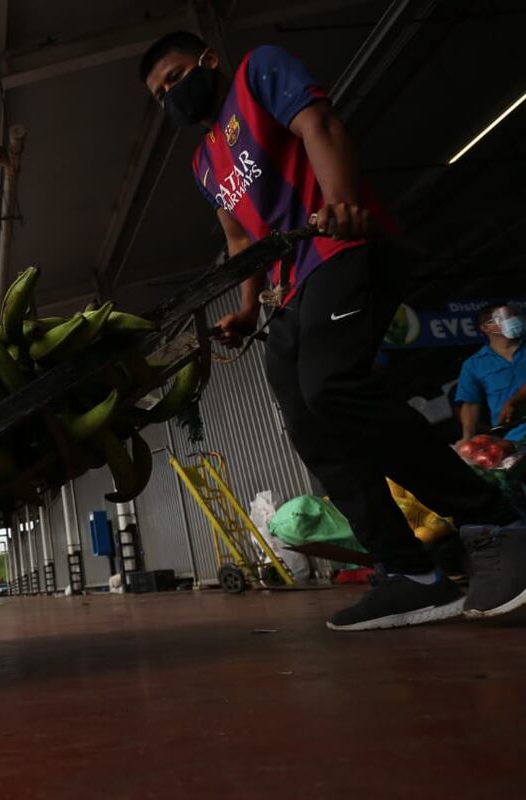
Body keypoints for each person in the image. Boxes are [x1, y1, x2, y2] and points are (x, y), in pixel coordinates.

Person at [139, 32, 526, 629]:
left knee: (331, 386)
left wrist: (343, 204)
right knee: (308, 423)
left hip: (339, 251)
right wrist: (247, 310)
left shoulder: (256, 73)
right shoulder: (202, 163)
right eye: (161, 93)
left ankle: (493, 523)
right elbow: (240, 241)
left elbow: (320, 125)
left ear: (207, 61)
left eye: (175, 77)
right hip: (288, 292)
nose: (172, 95)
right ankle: (407, 572)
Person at [456, 303, 526, 442]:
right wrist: (467, 437)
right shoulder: (473, 364)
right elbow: (471, 404)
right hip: (512, 439)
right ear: (485, 327)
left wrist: (512, 402)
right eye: (505, 317)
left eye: (516, 316)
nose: (513, 320)